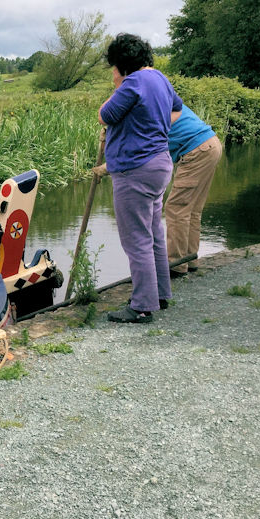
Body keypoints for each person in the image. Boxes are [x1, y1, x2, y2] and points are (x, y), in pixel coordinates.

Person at [94, 33, 182, 324]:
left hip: (135, 169)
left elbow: (105, 115)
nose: (113, 72)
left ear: (121, 63)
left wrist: (118, 86)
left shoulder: (132, 82)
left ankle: (142, 305)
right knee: (154, 233)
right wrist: (150, 128)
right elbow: (176, 109)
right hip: (159, 164)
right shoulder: (160, 78)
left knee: (137, 239)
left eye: (113, 67)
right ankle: (160, 295)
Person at [164, 105, 223, 277]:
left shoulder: (147, 104)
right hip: (210, 145)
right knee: (192, 209)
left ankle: (175, 264)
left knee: (176, 208)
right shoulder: (161, 94)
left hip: (196, 150)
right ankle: (189, 259)